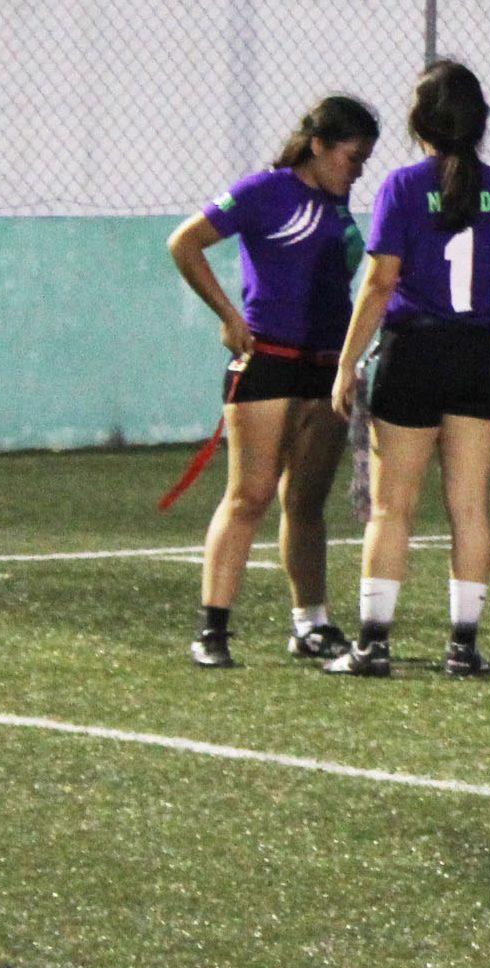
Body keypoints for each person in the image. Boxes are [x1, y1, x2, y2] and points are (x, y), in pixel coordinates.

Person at [325, 61, 490, 677]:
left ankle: (374, 644)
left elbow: (380, 281)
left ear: (419, 124)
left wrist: (347, 363)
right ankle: (463, 647)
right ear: (482, 123)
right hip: (479, 355)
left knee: (392, 508)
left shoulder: (403, 187)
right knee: (470, 505)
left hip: (414, 352)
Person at [168, 96, 379, 668]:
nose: (356, 171)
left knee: (306, 501)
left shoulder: (339, 207)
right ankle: (212, 630)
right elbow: (184, 243)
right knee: (250, 495)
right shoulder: (266, 191)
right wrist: (229, 317)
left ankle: (311, 623)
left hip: (326, 366)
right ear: (318, 145)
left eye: (364, 163)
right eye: (351, 158)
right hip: (271, 360)